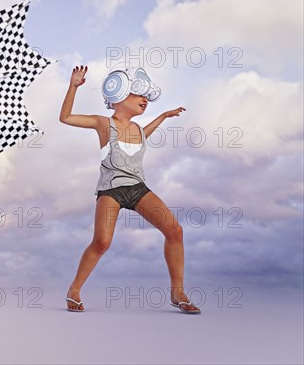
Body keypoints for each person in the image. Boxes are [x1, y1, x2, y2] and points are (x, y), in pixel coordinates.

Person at [59, 65, 201, 314]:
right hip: (111, 190)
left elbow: (144, 135)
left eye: (146, 96)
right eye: (138, 95)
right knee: (102, 242)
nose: (144, 100)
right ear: (119, 96)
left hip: (137, 188)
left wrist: (163, 117)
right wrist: (73, 86)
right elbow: (66, 118)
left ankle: (177, 292)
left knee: (175, 231)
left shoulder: (137, 129)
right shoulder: (103, 124)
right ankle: (74, 290)